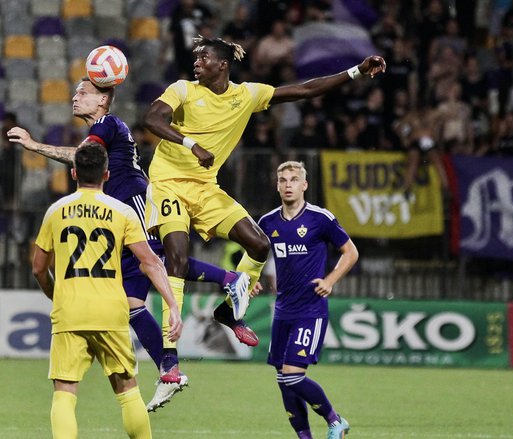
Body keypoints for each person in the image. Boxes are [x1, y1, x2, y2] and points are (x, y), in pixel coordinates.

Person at [8, 77, 258, 412]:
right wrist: (34, 145)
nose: (75, 97)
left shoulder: (109, 124)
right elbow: (84, 158)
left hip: (134, 202)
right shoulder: (102, 131)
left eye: (84, 93)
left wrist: (34, 145)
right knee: (131, 302)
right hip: (118, 212)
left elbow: (82, 158)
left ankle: (230, 280)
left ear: (103, 100)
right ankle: (169, 370)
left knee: (158, 259)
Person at [142, 35, 383, 382]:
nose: (197, 62)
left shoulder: (246, 95)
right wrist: (191, 144)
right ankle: (169, 358)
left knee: (258, 244)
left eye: (204, 57)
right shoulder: (182, 89)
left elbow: (304, 90)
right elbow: (152, 119)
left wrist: (357, 72)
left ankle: (228, 312)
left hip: (206, 189)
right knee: (177, 258)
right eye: (196, 57)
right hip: (168, 184)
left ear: (223, 65)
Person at [32, 142, 183, 439]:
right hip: (111, 311)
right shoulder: (122, 211)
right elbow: (150, 261)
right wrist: (172, 305)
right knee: (127, 389)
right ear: (107, 174)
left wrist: (55, 294)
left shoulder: (56, 211)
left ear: (74, 172)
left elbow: (38, 268)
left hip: (70, 311)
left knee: (64, 392)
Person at [257, 161, 359, 439]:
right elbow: (254, 257)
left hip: (310, 310)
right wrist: (252, 280)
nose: (288, 184)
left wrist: (330, 280)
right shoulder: (267, 222)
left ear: (304, 185)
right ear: (277, 185)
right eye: (282, 180)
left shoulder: (319, 218)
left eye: (293, 179)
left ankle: (335, 419)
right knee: (283, 380)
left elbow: (350, 252)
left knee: (292, 375)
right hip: (282, 311)